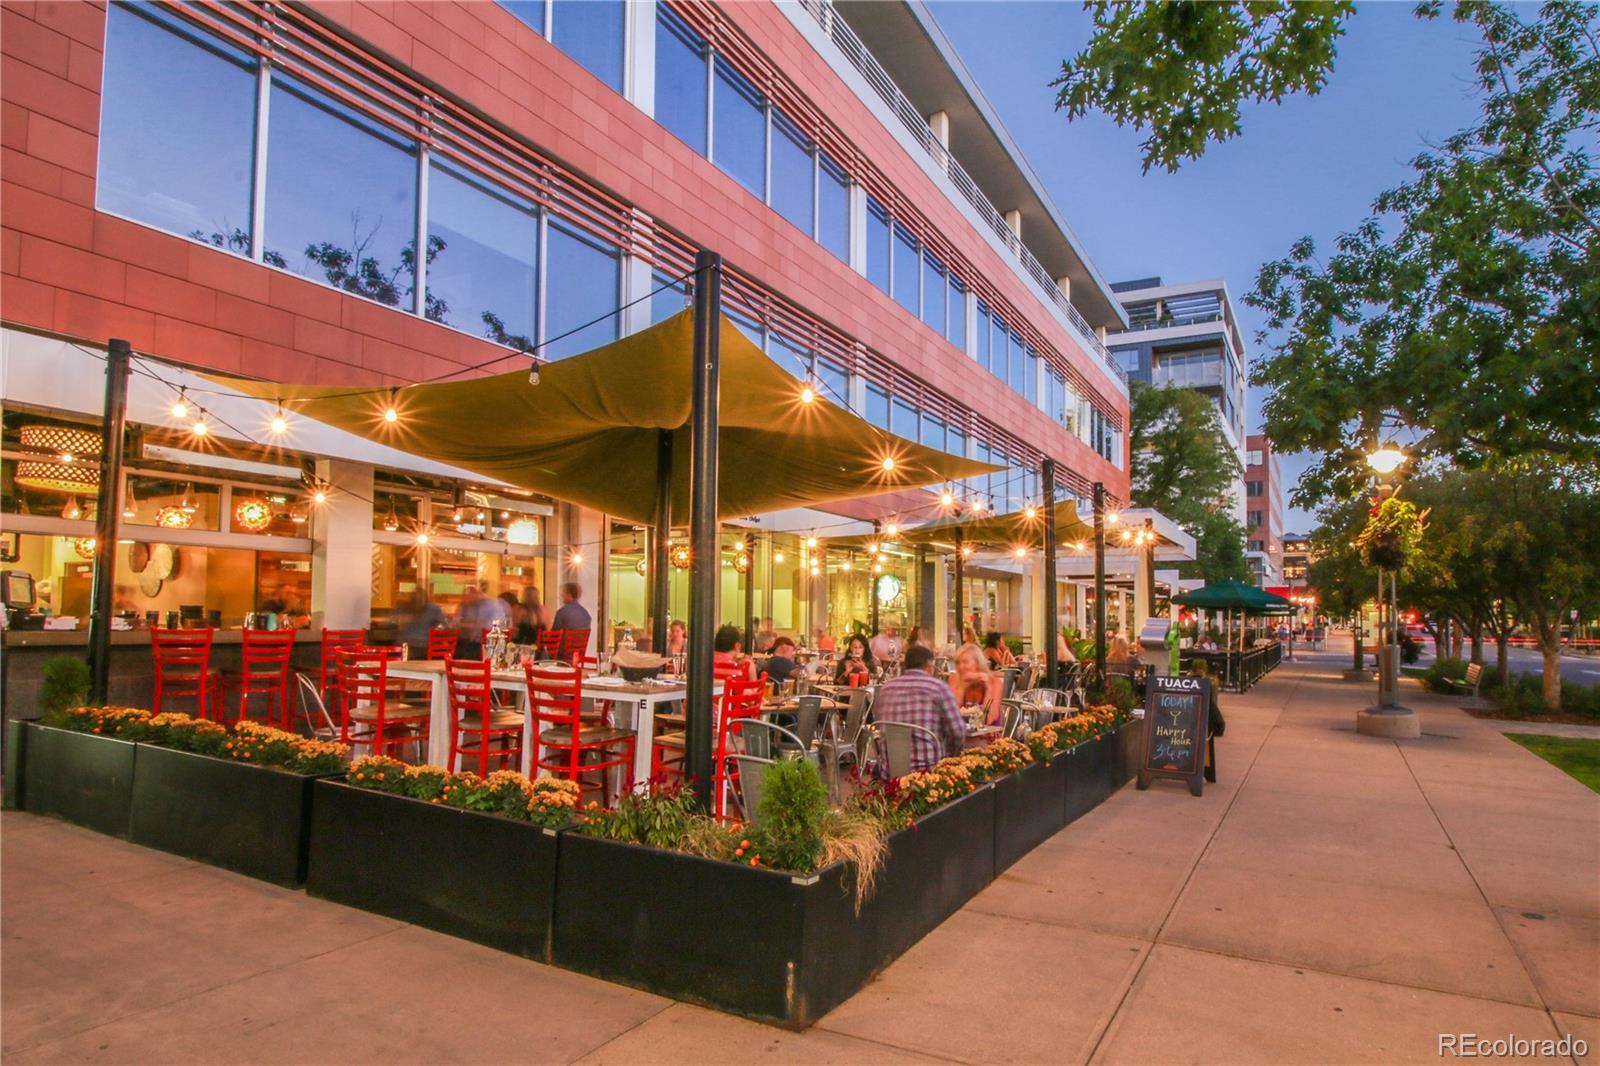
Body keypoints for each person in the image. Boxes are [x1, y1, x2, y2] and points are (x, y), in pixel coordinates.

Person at [873, 644, 967, 777]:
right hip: (929, 772)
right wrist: (951, 757)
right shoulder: (938, 687)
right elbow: (958, 731)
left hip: (891, 771)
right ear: (929, 666)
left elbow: (879, 724)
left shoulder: (885, 689)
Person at [950, 642, 1001, 726]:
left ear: (977, 663)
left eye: (965, 662)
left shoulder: (995, 682)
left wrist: (988, 688)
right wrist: (962, 687)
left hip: (987, 736)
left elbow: (990, 719)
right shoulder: (955, 679)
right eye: (958, 663)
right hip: (961, 735)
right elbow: (951, 716)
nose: (960, 667)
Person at [398, 589, 448, 657]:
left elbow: (442, 626)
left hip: (409, 646)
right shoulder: (434, 609)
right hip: (422, 647)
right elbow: (443, 626)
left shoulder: (433, 609)